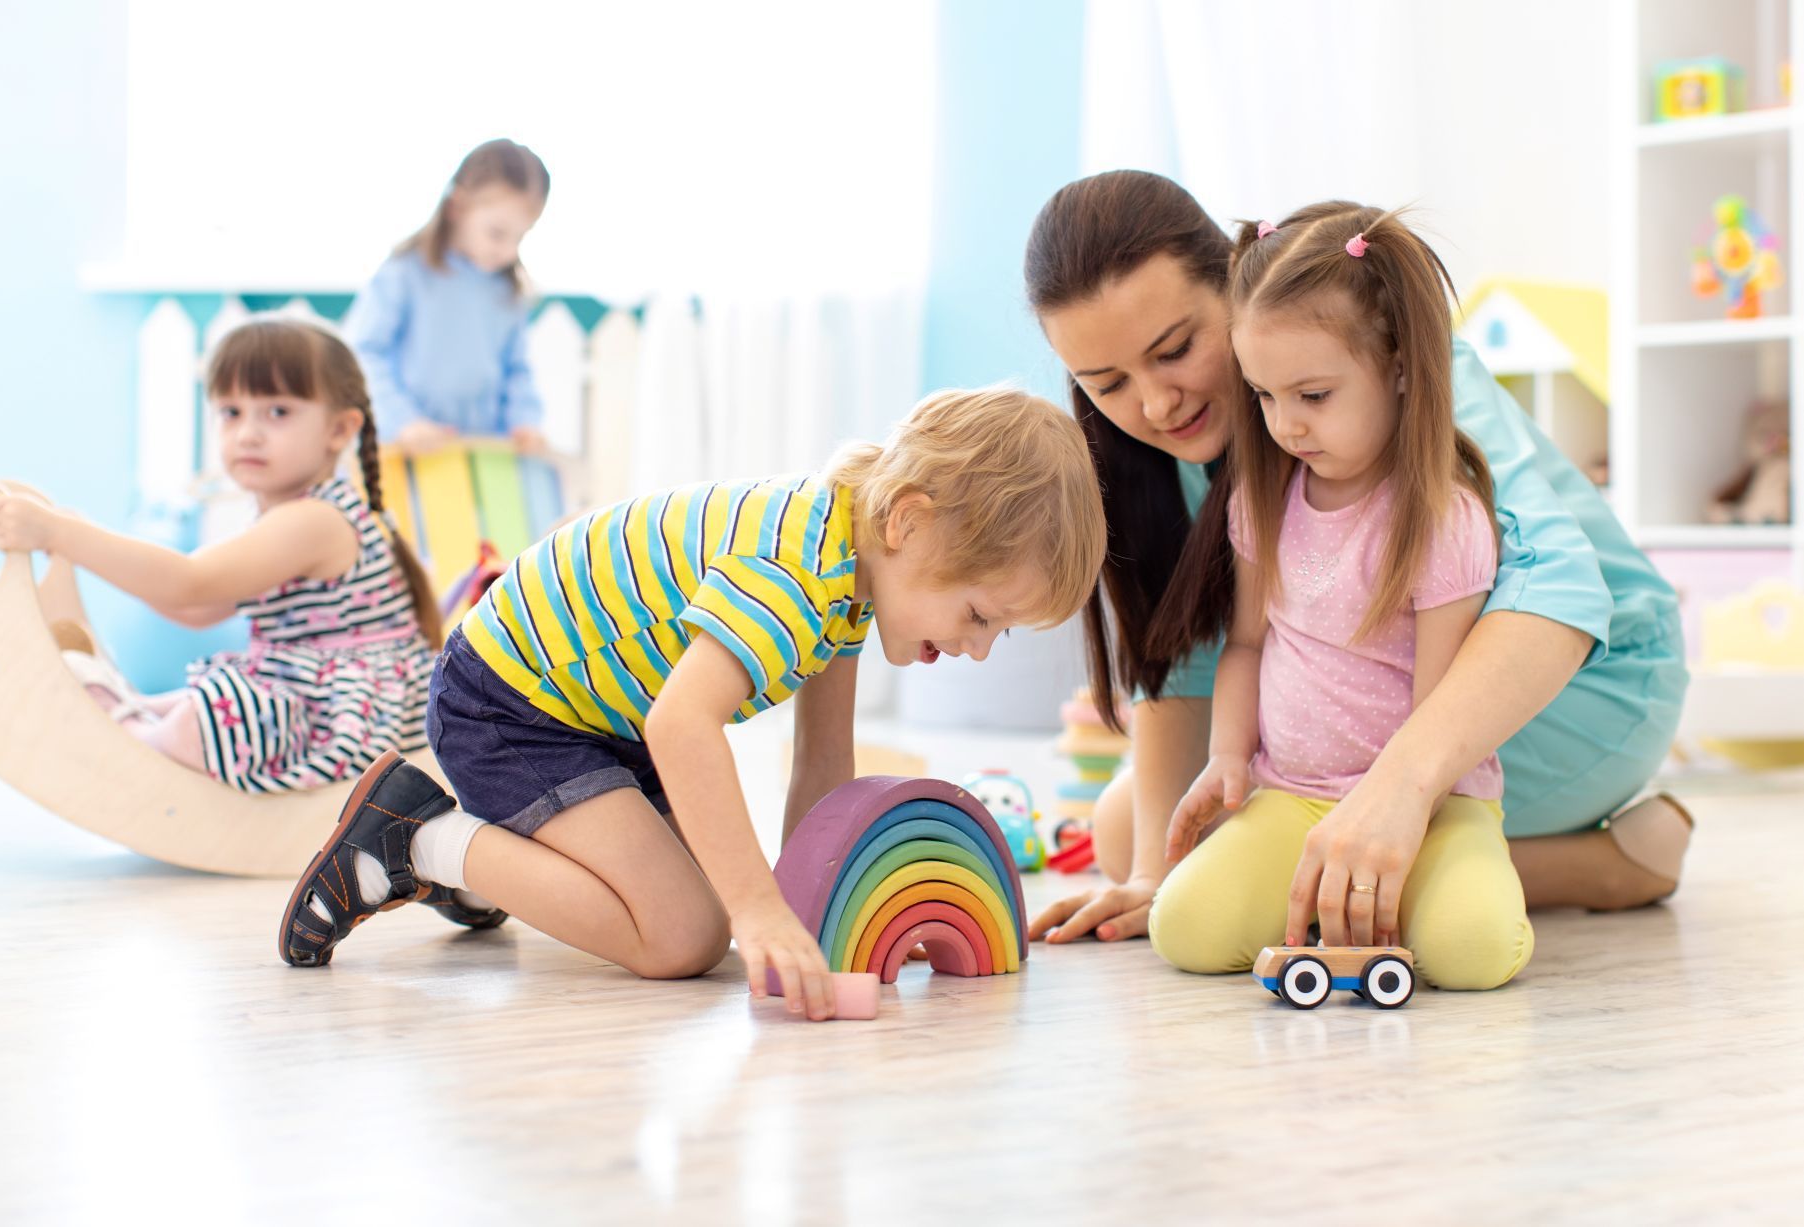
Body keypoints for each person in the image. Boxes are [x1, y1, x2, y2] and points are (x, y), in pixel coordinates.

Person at [277, 388, 1106, 1023]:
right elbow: (682, 723)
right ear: (910, 522)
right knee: (685, 935)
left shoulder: (852, 569)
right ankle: (417, 836)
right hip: (509, 701)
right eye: (979, 614)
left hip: (600, 714)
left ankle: (493, 861)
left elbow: (821, 767)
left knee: (696, 905)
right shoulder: (796, 567)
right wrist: (757, 911)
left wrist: (821, 913)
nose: (978, 646)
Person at [1021, 170, 1691, 951]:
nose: (1157, 403)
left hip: (1585, 685)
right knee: (1129, 829)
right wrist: (1147, 874)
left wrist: (1399, 784)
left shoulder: (1402, 373)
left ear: (1236, 293)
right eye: (1106, 384)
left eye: (1174, 350)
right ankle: (1561, 863)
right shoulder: (1168, 449)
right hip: (1367, 702)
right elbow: (1196, 656)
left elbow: (1560, 589)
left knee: (1256, 845)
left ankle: (1600, 870)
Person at [1157, 203, 1525, 988]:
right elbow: (1247, 645)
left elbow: (1441, 708)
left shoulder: (1440, 517)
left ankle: (1410, 893)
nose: (1283, 424)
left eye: (1312, 395)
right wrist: (1226, 756)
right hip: (1291, 798)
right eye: (1261, 395)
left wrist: (1397, 818)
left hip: (1422, 809)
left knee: (1472, 952)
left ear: (1396, 365)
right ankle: (1328, 901)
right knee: (1182, 927)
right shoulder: (1260, 499)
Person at [0, 318, 439, 794]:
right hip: (317, 701)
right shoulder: (292, 516)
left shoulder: (314, 520)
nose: (248, 434)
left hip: (350, 722)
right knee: (186, 703)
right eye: (231, 412)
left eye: (278, 412)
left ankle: (136, 733)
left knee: (204, 715)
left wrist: (65, 533)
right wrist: (78, 544)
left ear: (339, 429)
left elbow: (190, 582)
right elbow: (196, 608)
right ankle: (142, 719)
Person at [345, 138, 552, 456]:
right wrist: (404, 421)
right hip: (403, 451)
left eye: (520, 238)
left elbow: (517, 370)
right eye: (497, 233)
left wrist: (524, 422)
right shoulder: (404, 273)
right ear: (457, 207)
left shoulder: (507, 293)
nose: (509, 251)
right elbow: (365, 354)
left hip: (478, 455)